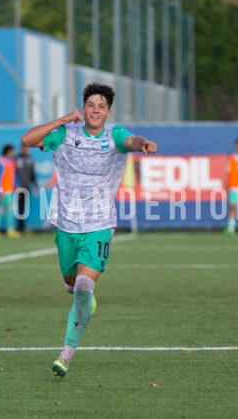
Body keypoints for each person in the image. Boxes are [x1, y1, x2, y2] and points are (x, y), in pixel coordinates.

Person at [21, 83, 157, 378]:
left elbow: (131, 140)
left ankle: (65, 355)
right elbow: (27, 140)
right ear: (83, 109)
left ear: (109, 112)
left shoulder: (113, 135)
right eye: (91, 105)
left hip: (99, 225)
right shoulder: (65, 134)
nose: (96, 110)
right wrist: (60, 120)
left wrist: (142, 142)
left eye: (101, 106)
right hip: (66, 225)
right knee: (72, 284)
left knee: (83, 287)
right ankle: (81, 294)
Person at [0, 145, 21, 238]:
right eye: (12, 151)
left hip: (10, 190)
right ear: (8, 151)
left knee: (1, 210)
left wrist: (16, 185)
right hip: (4, 191)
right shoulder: (1, 162)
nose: (13, 153)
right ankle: (10, 229)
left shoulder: (12, 162)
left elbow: (12, 176)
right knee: (11, 208)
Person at [15, 145, 37, 234]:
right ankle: (19, 227)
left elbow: (32, 174)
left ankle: (22, 227)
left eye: (28, 149)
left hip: (27, 187)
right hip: (18, 187)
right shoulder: (16, 159)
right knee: (18, 207)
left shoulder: (30, 159)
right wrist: (16, 184)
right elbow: (13, 173)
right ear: (21, 149)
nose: (26, 150)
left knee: (24, 207)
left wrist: (35, 185)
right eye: (25, 149)